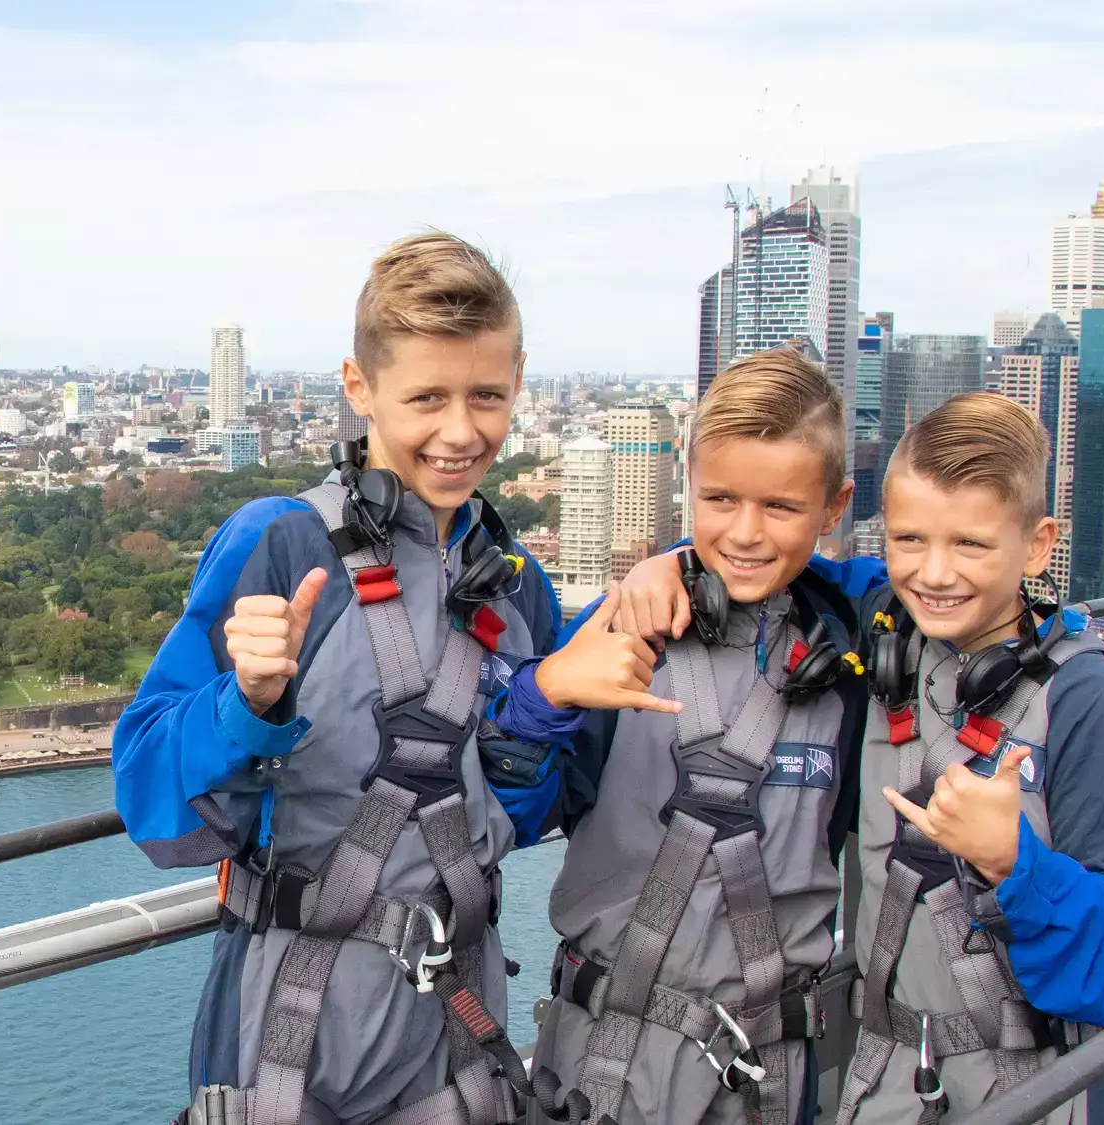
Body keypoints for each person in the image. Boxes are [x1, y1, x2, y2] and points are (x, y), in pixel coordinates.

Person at [113, 232, 571, 1125]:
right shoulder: (282, 545)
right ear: (359, 390)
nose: (460, 430)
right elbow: (148, 796)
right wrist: (244, 703)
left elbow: (522, 813)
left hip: (457, 1035)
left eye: (486, 395)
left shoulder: (513, 584)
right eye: (426, 397)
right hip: (298, 1038)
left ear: (519, 384)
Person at [498, 348, 884, 1125]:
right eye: (719, 499)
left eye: (780, 507)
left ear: (834, 505)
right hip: (606, 1062)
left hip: (767, 1074)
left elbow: (934, 593)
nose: (745, 532)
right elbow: (512, 808)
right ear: (687, 483)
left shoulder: (853, 641)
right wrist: (542, 698)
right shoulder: (623, 633)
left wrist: (677, 557)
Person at [832, 392, 1104, 1124]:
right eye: (909, 541)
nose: (933, 573)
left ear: (1036, 544)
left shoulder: (1087, 697)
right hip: (889, 1080)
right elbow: (770, 559)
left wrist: (1013, 864)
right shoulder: (885, 642)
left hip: (1044, 1088)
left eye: (970, 544)